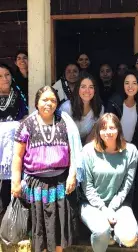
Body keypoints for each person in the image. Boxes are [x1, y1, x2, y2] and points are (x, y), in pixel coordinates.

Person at [11, 86, 84, 252]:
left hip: (60, 183)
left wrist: (72, 174)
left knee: (58, 228)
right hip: (36, 185)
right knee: (41, 228)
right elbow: (17, 156)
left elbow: (74, 151)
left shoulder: (64, 122)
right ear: (37, 103)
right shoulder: (26, 125)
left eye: (53, 100)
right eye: (45, 99)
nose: (49, 103)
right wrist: (15, 183)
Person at [80, 113, 138, 250]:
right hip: (92, 204)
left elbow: (126, 185)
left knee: (130, 237)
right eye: (104, 128)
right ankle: (105, 234)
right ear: (98, 131)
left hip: (118, 204)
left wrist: (111, 208)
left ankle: (112, 234)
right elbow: (87, 186)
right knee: (101, 231)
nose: (108, 132)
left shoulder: (131, 151)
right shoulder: (88, 151)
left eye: (112, 128)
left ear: (119, 129)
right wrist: (104, 210)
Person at [107, 71, 138, 221]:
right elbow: (109, 126)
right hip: (115, 148)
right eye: (127, 83)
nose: (130, 86)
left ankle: (129, 217)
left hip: (132, 150)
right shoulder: (115, 102)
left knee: (131, 184)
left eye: (134, 83)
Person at [0, 63, 28, 222]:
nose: (5, 79)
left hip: (13, 149)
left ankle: (9, 221)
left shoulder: (19, 95)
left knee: (10, 183)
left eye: (7, 75)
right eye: (0, 76)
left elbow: (25, 116)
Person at [60, 74, 104, 144]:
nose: (87, 91)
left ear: (95, 90)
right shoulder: (66, 108)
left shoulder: (99, 108)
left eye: (91, 87)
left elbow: (93, 134)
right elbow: (61, 134)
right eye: (83, 87)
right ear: (78, 89)